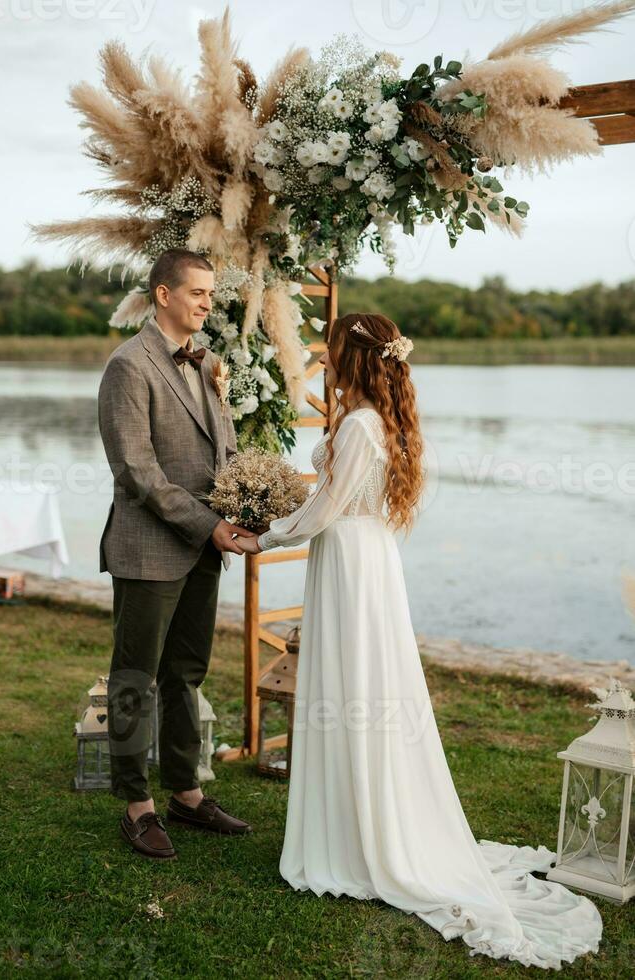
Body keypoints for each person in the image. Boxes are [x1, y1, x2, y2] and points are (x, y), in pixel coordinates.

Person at [235, 312, 602, 969]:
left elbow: (323, 512)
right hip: (369, 559)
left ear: (349, 356)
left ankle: (356, 839)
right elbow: (338, 499)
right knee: (365, 687)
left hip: (348, 559)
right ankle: (360, 818)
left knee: (351, 684)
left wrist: (258, 535)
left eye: (331, 351)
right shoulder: (385, 419)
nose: (325, 361)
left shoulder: (356, 424)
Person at [98, 248, 254, 860]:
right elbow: (137, 471)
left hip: (204, 547)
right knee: (135, 677)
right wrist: (208, 525)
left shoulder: (208, 361)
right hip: (149, 549)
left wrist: (245, 496)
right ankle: (137, 806)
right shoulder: (127, 367)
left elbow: (225, 445)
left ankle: (186, 794)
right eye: (198, 293)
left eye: (211, 295)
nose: (208, 304)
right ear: (164, 294)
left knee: (185, 673)